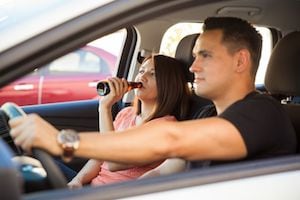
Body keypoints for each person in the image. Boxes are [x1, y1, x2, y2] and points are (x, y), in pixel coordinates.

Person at [9, 17, 297, 174]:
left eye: (205, 56)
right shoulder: (210, 117)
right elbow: (167, 166)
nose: (193, 67)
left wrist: (62, 141)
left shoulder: (264, 113)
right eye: (194, 56)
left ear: (240, 61)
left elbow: (169, 140)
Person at [58, 54, 190, 188]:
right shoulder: (126, 114)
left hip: (115, 194)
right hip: (90, 187)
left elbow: (114, 163)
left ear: (169, 85)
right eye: (141, 71)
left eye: (153, 74)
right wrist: (78, 180)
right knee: (38, 162)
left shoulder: (165, 128)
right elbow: (100, 155)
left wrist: (104, 108)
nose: (142, 77)